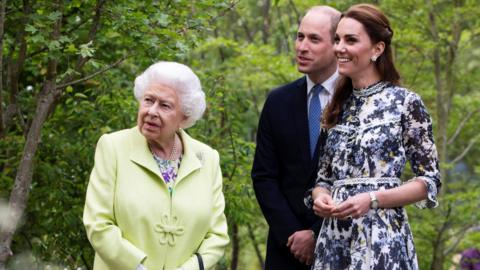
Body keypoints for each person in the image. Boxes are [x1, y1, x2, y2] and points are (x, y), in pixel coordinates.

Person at [307, 4, 442, 269]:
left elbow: (429, 182)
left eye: (351, 40)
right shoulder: (335, 106)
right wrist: (320, 197)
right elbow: (323, 179)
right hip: (333, 242)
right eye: (337, 39)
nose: (339, 48)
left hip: (382, 241)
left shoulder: (405, 103)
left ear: (377, 49)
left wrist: (372, 199)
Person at [83, 61, 229, 270]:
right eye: (148, 100)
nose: (152, 111)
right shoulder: (113, 147)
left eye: (165, 105)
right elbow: (98, 224)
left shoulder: (207, 158)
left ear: (184, 117)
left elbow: (217, 235)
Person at [251, 6, 341, 270]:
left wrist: (316, 233)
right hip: (285, 250)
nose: (302, 46)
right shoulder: (278, 101)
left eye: (314, 39)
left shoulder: (356, 103)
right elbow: (264, 176)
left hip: (342, 246)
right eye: (299, 37)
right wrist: (293, 234)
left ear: (337, 44)